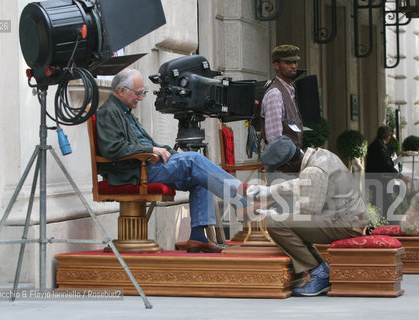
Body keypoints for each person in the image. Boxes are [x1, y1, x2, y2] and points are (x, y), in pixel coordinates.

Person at [96, 68, 251, 253]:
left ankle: (198, 237)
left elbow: (146, 144)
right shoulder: (108, 111)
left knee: (201, 177)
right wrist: (151, 149)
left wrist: (169, 153)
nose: (140, 98)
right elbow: (112, 149)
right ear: (121, 91)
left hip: (147, 165)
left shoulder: (125, 111)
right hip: (135, 172)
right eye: (138, 93)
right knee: (194, 159)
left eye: (142, 93)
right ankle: (244, 198)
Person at [247, 136, 368, 296]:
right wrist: (271, 190)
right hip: (351, 219)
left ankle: (318, 273)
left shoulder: (313, 171)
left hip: (346, 224)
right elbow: (302, 182)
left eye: (280, 170)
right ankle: (321, 268)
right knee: (286, 223)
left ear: (288, 165)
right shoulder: (320, 154)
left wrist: (274, 213)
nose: (282, 173)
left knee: (277, 224)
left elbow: (306, 213)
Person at [260, 44, 304, 148]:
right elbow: (275, 140)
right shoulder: (275, 94)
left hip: (292, 159)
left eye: (295, 62)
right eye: (288, 62)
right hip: (283, 161)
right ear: (276, 65)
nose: (293, 66)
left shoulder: (290, 90)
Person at [365, 125, 408, 217]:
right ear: (387, 135)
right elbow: (387, 165)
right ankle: (383, 225)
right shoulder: (380, 146)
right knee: (384, 204)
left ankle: (378, 224)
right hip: (380, 180)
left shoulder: (376, 144)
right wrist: (400, 176)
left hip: (376, 179)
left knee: (378, 203)